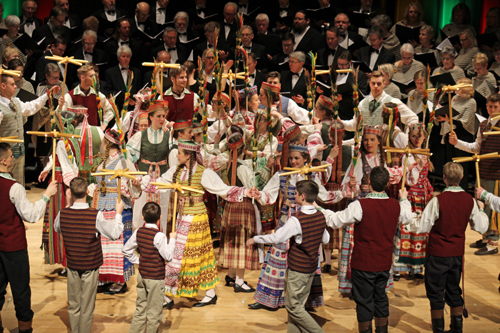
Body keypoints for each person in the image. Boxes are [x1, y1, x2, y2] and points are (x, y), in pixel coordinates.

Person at [141, 139, 255, 308]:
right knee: (178, 257)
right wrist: (143, 182)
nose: (177, 155)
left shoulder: (203, 173)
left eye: (179, 153)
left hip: (197, 219)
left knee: (197, 257)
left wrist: (245, 191)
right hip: (183, 218)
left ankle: (200, 294)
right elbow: (160, 184)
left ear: (188, 155)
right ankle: (175, 295)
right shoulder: (176, 171)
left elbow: (222, 189)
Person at [320, 166, 413, 333]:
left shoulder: (360, 205)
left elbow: (335, 221)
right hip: (383, 263)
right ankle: (381, 330)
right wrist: (404, 199)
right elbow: (407, 215)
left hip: (363, 263)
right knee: (380, 296)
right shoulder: (395, 205)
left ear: (369, 183)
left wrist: (319, 209)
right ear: (386, 184)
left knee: (364, 301)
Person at [250, 144, 342, 310]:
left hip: (306, 220)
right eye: (291, 158)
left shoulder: (312, 176)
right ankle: (269, 299)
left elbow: (324, 196)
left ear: (305, 159)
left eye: (296, 158)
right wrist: (259, 195)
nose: (293, 161)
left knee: (304, 259)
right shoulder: (282, 175)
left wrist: (344, 193)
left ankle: (305, 300)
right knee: (277, 258)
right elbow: (268, 195)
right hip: (287, 219)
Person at [408, 162, 488, 333]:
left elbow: (422, 227)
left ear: (444, 178)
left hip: (437, 254)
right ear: (460, 178)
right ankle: (456, 328)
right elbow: (481, 227)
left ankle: (439, 329)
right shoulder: (469, 200)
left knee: (436, 292)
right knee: (453, 289)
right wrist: (481, 210)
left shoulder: (438, 201)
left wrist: (411, 218)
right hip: (456, 255)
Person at [247, 179, 329, 333]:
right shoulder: (320, 216)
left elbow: (277, 238)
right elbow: (326, 239)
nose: (294, 195)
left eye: (296, 193)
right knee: (297, 306)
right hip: (311, 269)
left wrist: (256, 239)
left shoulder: (296, 220)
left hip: (298, 270)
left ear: (303, 197)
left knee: (293, 307)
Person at [0, 142, 58, 333]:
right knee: (20, 290)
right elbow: (31, 215)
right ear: (3, 162)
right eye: (10, 156)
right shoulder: (13, 187)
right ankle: (25, 330)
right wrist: (46, 196)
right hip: (13, 247)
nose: (13, 159)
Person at [56, 177, 125, 333]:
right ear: (88, 192)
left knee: (73, 305)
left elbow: (57, 227)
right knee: (86, 306)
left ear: (70, 193)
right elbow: (114, 233)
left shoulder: (63, 213)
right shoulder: (95, 215)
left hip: (73, 266)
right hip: (90, 266)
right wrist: (118, 213)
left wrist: (68, 205)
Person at [88, 129, 141, 294]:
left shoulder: (124, 162)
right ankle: (106, 277)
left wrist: (133, 185)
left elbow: (131, 190)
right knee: (104, 247)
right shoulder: (103, 162)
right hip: (103, 208)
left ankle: (120, 281)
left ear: (107, 143)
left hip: (119, 208)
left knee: (118, 246)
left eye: (103, 142)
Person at [449, 93, 500, 256]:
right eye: (490, 107)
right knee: (483, 204)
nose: (492, 110)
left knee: (493, 208)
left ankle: (493, 241)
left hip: (496, 172)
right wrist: (457, 143)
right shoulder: (484, 124)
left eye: (496, 107)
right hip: (483, 169)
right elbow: (476, 147)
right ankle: (485, 237)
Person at [123, 202, 177, 333]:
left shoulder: (138, 232)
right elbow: (168, 256)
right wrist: (173, 240)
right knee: (154, 312)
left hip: (142, 275)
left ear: (142, 217)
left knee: (140, 308)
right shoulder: (159, 236)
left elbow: (126, 250)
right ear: (160, 217)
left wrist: (139, 261)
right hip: (155, 278)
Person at [0, 74, 59, 186]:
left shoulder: (15, 101)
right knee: (5, 184)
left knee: (18, 182)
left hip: (18, 152)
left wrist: (47, 95)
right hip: (3, 154)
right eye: (12, 84)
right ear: (3, 86)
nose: (15, 87)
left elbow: (31, 107)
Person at [393, 123, 433, 279]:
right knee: (404, 231)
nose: (417, 139)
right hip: (409, 196)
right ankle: (397, 268)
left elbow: (425, 178)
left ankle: (416, 268)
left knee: (419, 232)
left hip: (422, 197)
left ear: (424, 137)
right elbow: (409, 180)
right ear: (409, 137)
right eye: (414, 136)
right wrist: (418, 166)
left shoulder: (425, 153)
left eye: (419, 136)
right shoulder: (407, 155)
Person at [127, 100, 171, 232]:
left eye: (163, 116)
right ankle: (141, 238)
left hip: (161, 180)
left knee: (161, 207)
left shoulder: (169, 136)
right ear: (150, 117)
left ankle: (159, 238)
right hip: (144, 179)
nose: (162, 119)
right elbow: (128, 157)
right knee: (142, 208)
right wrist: (134, 175)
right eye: (158, 116)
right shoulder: (141, 136)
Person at [341, 71, 418, 130]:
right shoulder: (363, 103)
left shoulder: (393, 102)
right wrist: (340, 122)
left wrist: (407, 138)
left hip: (384, 145)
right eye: (373, 83)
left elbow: (413, 118)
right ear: (369, 83)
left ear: (384, 84)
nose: (375, 86)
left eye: (379, 84)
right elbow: (354, 125)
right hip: (365, 144)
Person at [63, 64, 113, 128]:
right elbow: (61, 113)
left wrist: (104, 124)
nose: (95, 78)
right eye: (91, 76)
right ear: (82, 78)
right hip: (76, 134)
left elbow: (110, 110)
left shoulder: (97, 95)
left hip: (93, 133)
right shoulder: (70, 95)